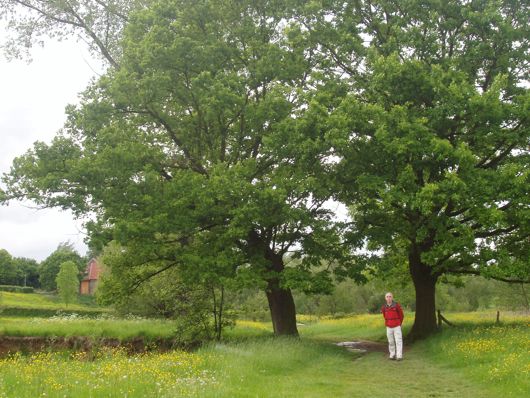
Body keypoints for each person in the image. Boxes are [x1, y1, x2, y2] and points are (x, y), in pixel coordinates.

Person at [381, 292, 404, 361]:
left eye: (390, 296)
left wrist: (399, 323)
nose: (389, 298)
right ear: (385, 298)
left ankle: (399, 355)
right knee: (390, 341)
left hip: (397, 326)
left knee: (398, 341)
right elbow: (385, 316)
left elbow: (401, 315)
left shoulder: (397, 305)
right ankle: (392, 354)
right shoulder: (384, 307)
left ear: (392, 297)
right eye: (387, 297)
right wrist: (388, 322)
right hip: (388, 326)